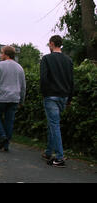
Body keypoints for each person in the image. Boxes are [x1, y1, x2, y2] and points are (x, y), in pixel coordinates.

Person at [40, 35, 74, 168]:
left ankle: (59, 157)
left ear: (52, 44)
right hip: (64, 96)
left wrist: (44, 93)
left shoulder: (46, 59)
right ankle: (49, 151)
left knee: (54, 125)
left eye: (49, 44)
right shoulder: (68, 60)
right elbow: (72, 81)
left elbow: (44, 78)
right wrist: (69, 99)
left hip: (51, 95)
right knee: (52, 123)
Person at [0, 45, 26, 152]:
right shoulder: (19, 68)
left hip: (1, 97)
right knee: (9, 121)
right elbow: (23, 86)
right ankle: (6, 145)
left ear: (6, 54)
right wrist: (22, 100)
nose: (0, 55)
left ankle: (2, 136)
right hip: (14, 98)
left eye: (2, 53)